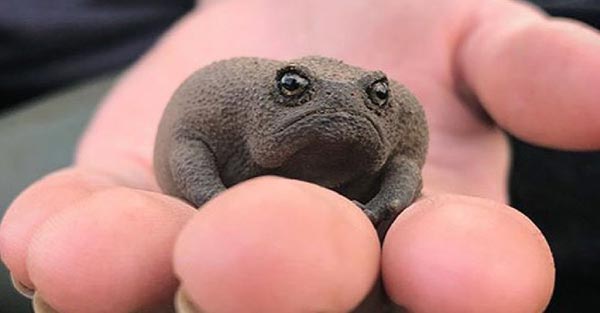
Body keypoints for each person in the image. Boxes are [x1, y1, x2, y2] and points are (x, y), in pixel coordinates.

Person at [1, 0, 598, 311]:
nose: (345, 106)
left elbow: (406, 166)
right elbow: (185, 144)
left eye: (376, 96)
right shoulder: (219, 98)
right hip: (51, 77)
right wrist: (207, 199)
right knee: (84, 247)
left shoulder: (400, 119)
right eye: (294, 91)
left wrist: (388, 201)